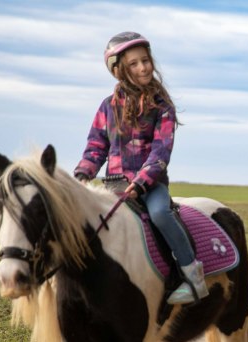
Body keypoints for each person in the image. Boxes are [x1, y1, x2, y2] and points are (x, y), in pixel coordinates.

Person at [74, 31, 206, 305]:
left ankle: (192, 277)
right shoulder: (107, 107)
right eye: (134, 63)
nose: (143, 66)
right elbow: (96, 147)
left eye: (145, 60)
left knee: (160, 215)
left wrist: (143, 181)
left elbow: (161, 151)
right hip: (113, 184)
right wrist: (81, 175)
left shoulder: (163, 106)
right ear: (119, 70)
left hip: (151, 185)